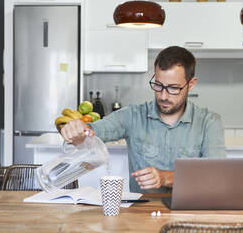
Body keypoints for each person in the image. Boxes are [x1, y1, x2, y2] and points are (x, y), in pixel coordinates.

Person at [59, 46, 226, 193]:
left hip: (191, 211)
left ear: (191, 84)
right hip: (140, 213)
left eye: (173, 88)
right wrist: (78, 131)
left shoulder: (208, 122)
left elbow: (216, 176)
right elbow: (95, 130)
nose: (163, 95)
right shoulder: (133, 115)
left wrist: (166, 178)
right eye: (158, 85)